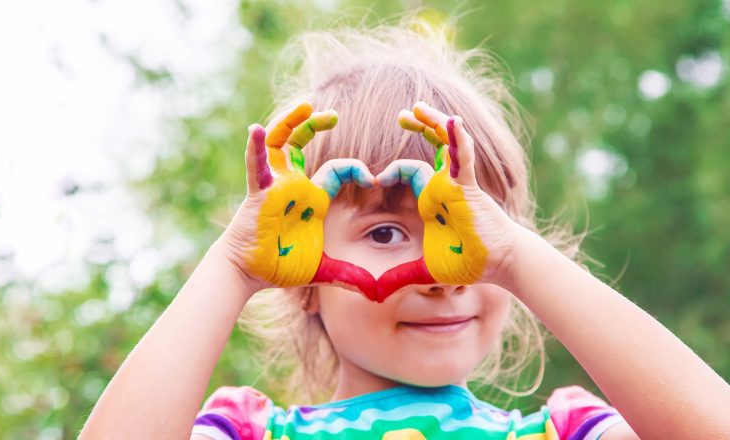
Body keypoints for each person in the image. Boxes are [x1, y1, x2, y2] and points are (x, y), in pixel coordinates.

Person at [79, 17, 730, 439]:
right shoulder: (249, 433)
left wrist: (518, 258)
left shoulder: (563, 433)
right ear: (303, 276)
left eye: (473, 227)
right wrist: (231, 268)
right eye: (386, 233)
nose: (445, 276)